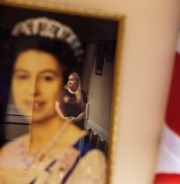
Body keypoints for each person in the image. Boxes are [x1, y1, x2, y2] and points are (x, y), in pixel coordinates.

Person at [0, 17, 106, 184]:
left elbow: (84, 113)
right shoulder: (9, 152)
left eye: (48, 77)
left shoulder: (89, 160)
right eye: (23, 76)